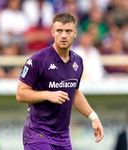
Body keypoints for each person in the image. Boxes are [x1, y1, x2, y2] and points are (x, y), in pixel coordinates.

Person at [16, 12, 104, 150]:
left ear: (75, 33)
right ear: (53, 32)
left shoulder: (78, 61)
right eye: (59, 31)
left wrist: (93, 117)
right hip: (38, 135)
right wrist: (47, 95)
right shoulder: (37, 60)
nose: (63, 35)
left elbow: (73, 93)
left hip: (63, 137)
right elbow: (20, 94)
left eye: (68, 31)